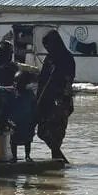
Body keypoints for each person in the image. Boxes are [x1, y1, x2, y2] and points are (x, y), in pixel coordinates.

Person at [35, 30, 76, 164]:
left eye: (49, 46)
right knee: (43, 131)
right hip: (47, 100)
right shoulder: (50, 58)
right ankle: (59, 163)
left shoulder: (66, 59)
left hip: (59, 101)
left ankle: (60, 164)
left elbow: (62, 80)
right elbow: (43, 79)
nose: (47, 49)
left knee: (54, 133)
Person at [8, 71, 38, 163]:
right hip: (14, 122)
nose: (16, 84)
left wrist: (34, 121)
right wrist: (7, 121)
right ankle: (14, 157)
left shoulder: (30, 95)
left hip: (27, 122)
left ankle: (27, 156)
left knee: (27, 140)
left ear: (26, 83)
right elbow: (7, 107)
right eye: (15, 81)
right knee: (13, 141)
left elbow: (34, 108)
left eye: (19, 82)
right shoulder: (12, 94)